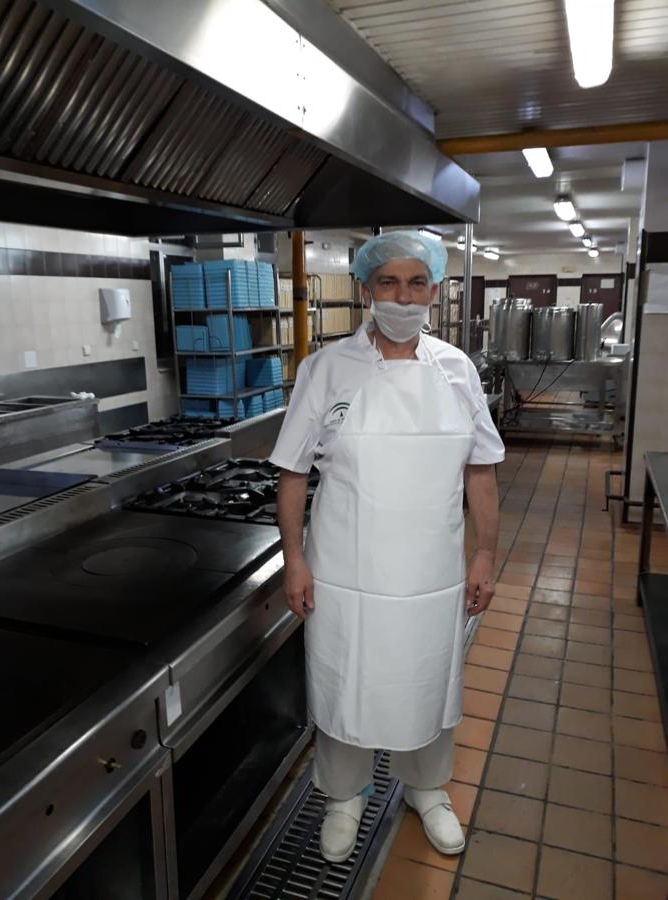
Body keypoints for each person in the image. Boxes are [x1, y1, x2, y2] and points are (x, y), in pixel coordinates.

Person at [270, 230, 504, 863]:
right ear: (367, 289)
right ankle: (344, 797)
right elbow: (293, 472)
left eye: (417, 282)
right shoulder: (325, 369)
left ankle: (428, 790)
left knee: (428, 679)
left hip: (430, 572)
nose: (403, 295)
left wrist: (484, 553)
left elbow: (480, 469)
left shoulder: (457, 370)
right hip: (344, 570)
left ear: (434, 289)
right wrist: (295, 558)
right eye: (389, 283)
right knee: (346, 680)